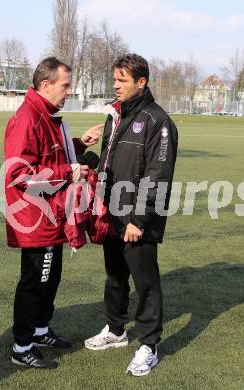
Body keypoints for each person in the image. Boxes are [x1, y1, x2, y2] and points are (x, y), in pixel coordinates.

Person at [4, 57, 102, 369]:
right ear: (46, 85)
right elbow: (19, 174)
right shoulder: (28, 117)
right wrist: (67, 172)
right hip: (35, 217)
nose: (69, 91)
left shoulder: (45, 114)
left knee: (51, 277)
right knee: (35, 280)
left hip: (52, 214)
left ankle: (41, 330)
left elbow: (50, 151)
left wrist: (78, 142)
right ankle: (22, 345)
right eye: (65, 85)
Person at [84, 54, 178, 376]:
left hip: (139, 219)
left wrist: (139, 219)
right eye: (115, 79)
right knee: (115, 276)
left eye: (122, 80)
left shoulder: (158, 121)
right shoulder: (115, 115)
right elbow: (110, 162)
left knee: (145, 281)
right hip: (111, 213)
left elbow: (158, 174)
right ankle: (116, 330)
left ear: (142, 82)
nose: (116, 85)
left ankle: (149, 345)